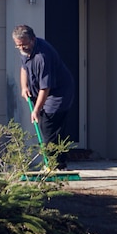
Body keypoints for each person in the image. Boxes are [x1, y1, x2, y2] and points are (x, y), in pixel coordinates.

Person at [11, 25, 75, 169]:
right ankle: (59, 163)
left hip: (58, 93)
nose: (22, 48)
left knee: (49, 127)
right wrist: (24, 86)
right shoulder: (25, 49)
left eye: (24, 44)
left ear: (33, 39)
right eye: (18, 46)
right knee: (50, 128)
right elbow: (24, 67)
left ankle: (54, 166)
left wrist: (36, 110)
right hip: (43, 91)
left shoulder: (42, 57)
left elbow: (45, 88)